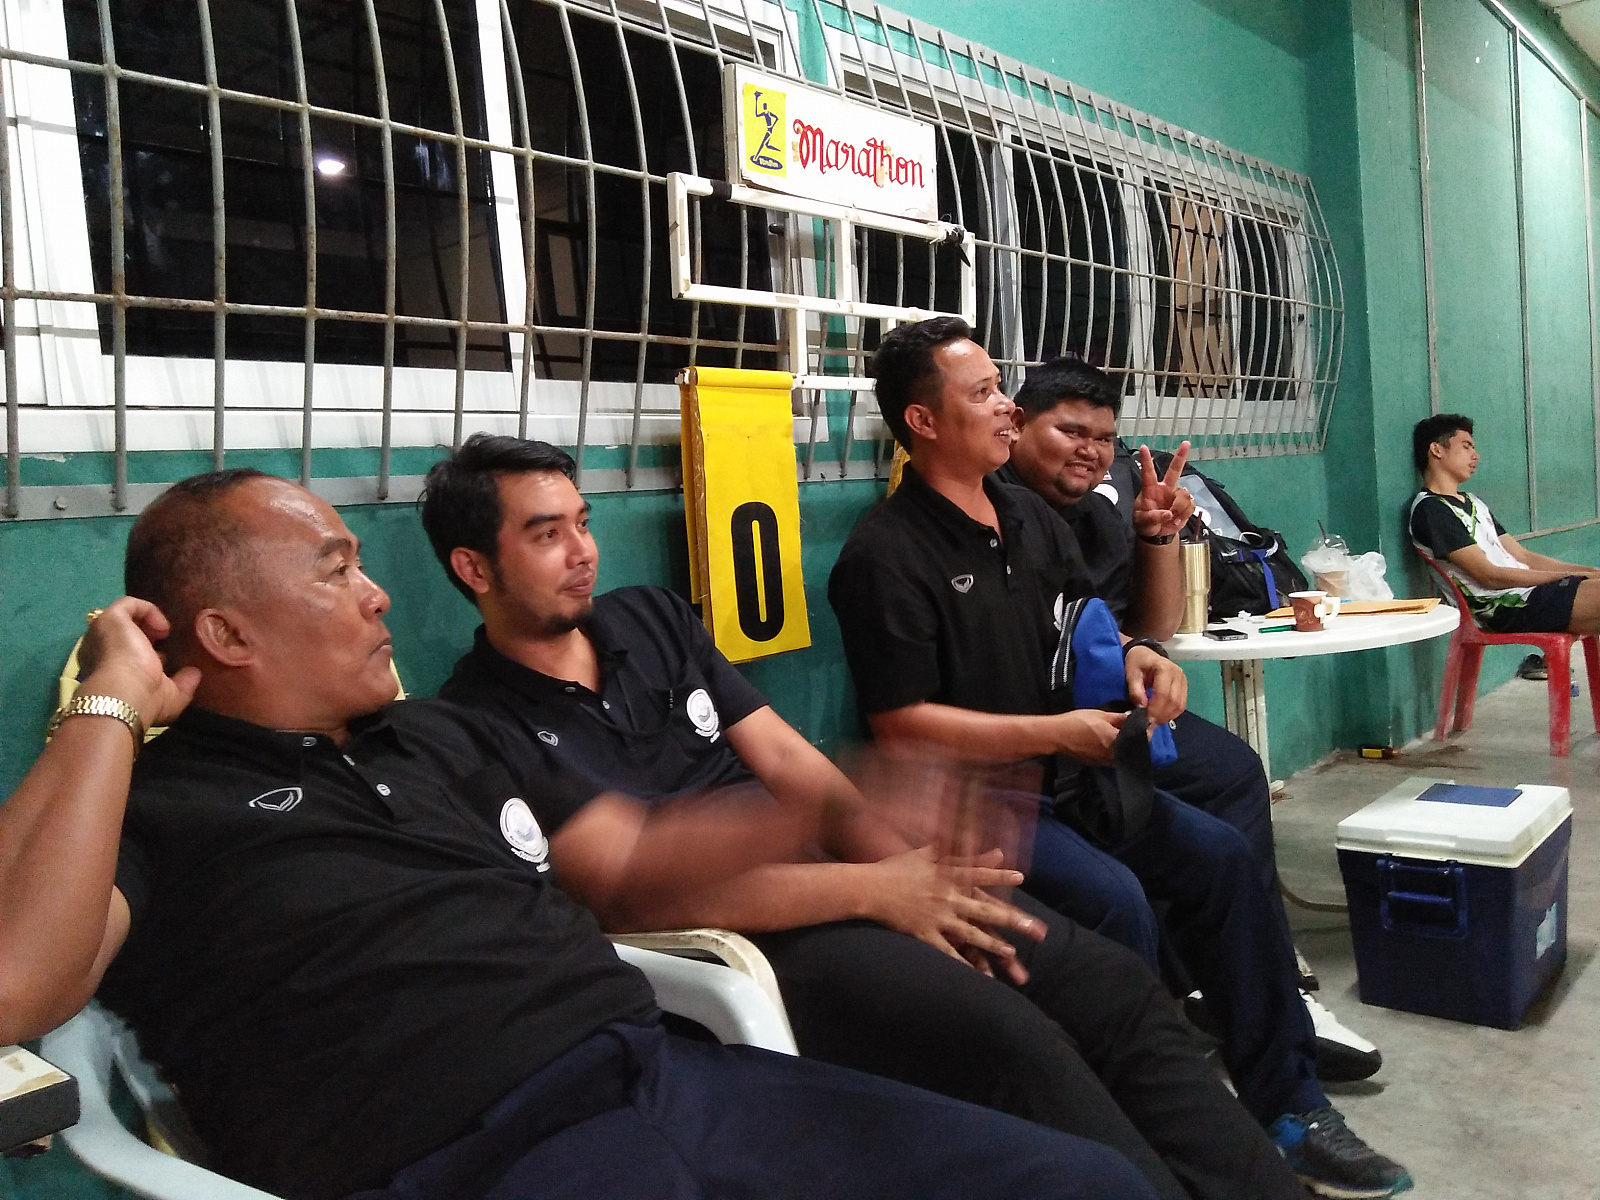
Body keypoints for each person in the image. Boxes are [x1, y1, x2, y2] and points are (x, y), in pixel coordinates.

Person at [0, 468, 1163, 1200]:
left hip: (664, 1079)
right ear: (227, 635)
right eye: (337, 571)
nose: (379, 595)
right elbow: (16, 985)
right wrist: (107, 709)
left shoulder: (437, 738)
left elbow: (634, 863)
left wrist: (830, 799)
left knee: (1079, 1182)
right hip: (457, 1157)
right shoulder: (156, 805)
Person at [420, 433, 1304, 1200]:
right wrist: (874, 887)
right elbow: (630, 885)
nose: (582, 551)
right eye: (546, 535)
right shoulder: (475, 724)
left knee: (1111, 986)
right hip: (761, 932)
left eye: (582, 522)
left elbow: (793, 765)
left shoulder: (650, 620)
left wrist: (918, 876)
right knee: (1018, 1045)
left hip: (855, 879)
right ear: (473, 568)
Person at [827, 317, 1413, 1200]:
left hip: (1073, 778)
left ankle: (1289, 1106)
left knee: (1220, 859)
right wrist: (1056, 734)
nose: (1005, 405)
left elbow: (1098, 628)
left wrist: (1142, 658)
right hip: (976, 804)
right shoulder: (885, 554)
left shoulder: (1026, 516)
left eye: (1001, 387)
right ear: (923, 421)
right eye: (983, 393)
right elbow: (904, 727)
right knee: (1117, 901)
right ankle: (1151, 1134)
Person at [998, 354, 1384, 1084]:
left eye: (1104, 437)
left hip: (1115, 705)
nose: (1090, 450)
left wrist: (1157, 536)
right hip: (1046, 725)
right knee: (1184, 819)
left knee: (1231, 770)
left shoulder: (1101, 509)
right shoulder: (998, 513)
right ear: (1015, 426)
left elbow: (1157, 625)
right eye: (1070, 431)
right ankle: (1218, 983)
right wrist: (1122, 660)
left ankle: (1250, 983)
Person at [1411, 413, 1600, 642]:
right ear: (1437, 450)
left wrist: (1588, 571)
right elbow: (1489, 576)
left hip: (1530, 593)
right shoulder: (1431, 509)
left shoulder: (1474, 502)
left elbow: (1524, 556)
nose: (1475, 455)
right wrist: (1571, 576)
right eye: (1466, 446)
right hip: (1502, 607)